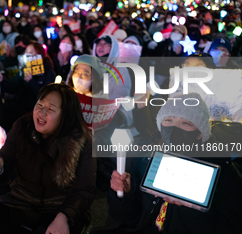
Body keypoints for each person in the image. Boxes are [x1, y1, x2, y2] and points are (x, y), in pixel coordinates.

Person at [96, 93, 242, 234]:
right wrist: (123, 194)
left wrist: (190, 208)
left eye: (186, 123)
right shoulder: (145, 160)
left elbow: (231, 227)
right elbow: (125, 217)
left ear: (200, 133)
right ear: (161, 125)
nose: (174, 128)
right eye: (168, 120)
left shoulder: (224, 174)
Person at [0, 83, 96, 234]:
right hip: (20, 202)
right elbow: (3, 168)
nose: (41, 112)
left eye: (50, 109)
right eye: (40, 104)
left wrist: (64, 216)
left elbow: (85, 189)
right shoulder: (22, 127)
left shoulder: (82, 140)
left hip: (59, 207)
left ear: (66, 115)